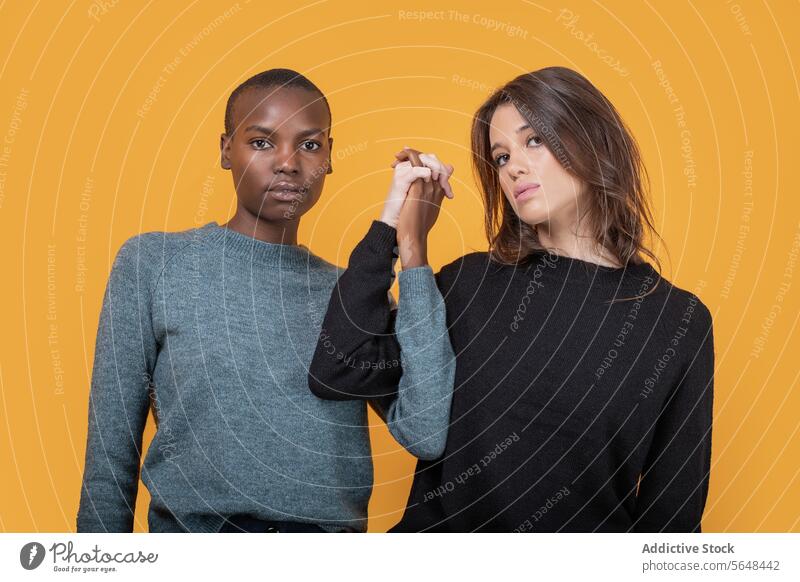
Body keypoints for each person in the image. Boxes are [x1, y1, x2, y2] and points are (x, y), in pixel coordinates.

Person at [308, 67, 715, 532]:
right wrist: (395, 230)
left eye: (534, 141)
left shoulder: (677, 321)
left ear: (594, 140)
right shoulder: (469, 283)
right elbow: (338, 368)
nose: (513, 167)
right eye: (500, 157)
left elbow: (673, 517)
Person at [76, 68, 454, 533]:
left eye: (310, 145)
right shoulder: (153, 264)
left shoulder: (354, 291)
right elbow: (111, 448)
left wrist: (412, 248)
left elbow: (426, 431)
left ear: (330, 157)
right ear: (225, 151)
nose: (288, 163)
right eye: (261, 142)